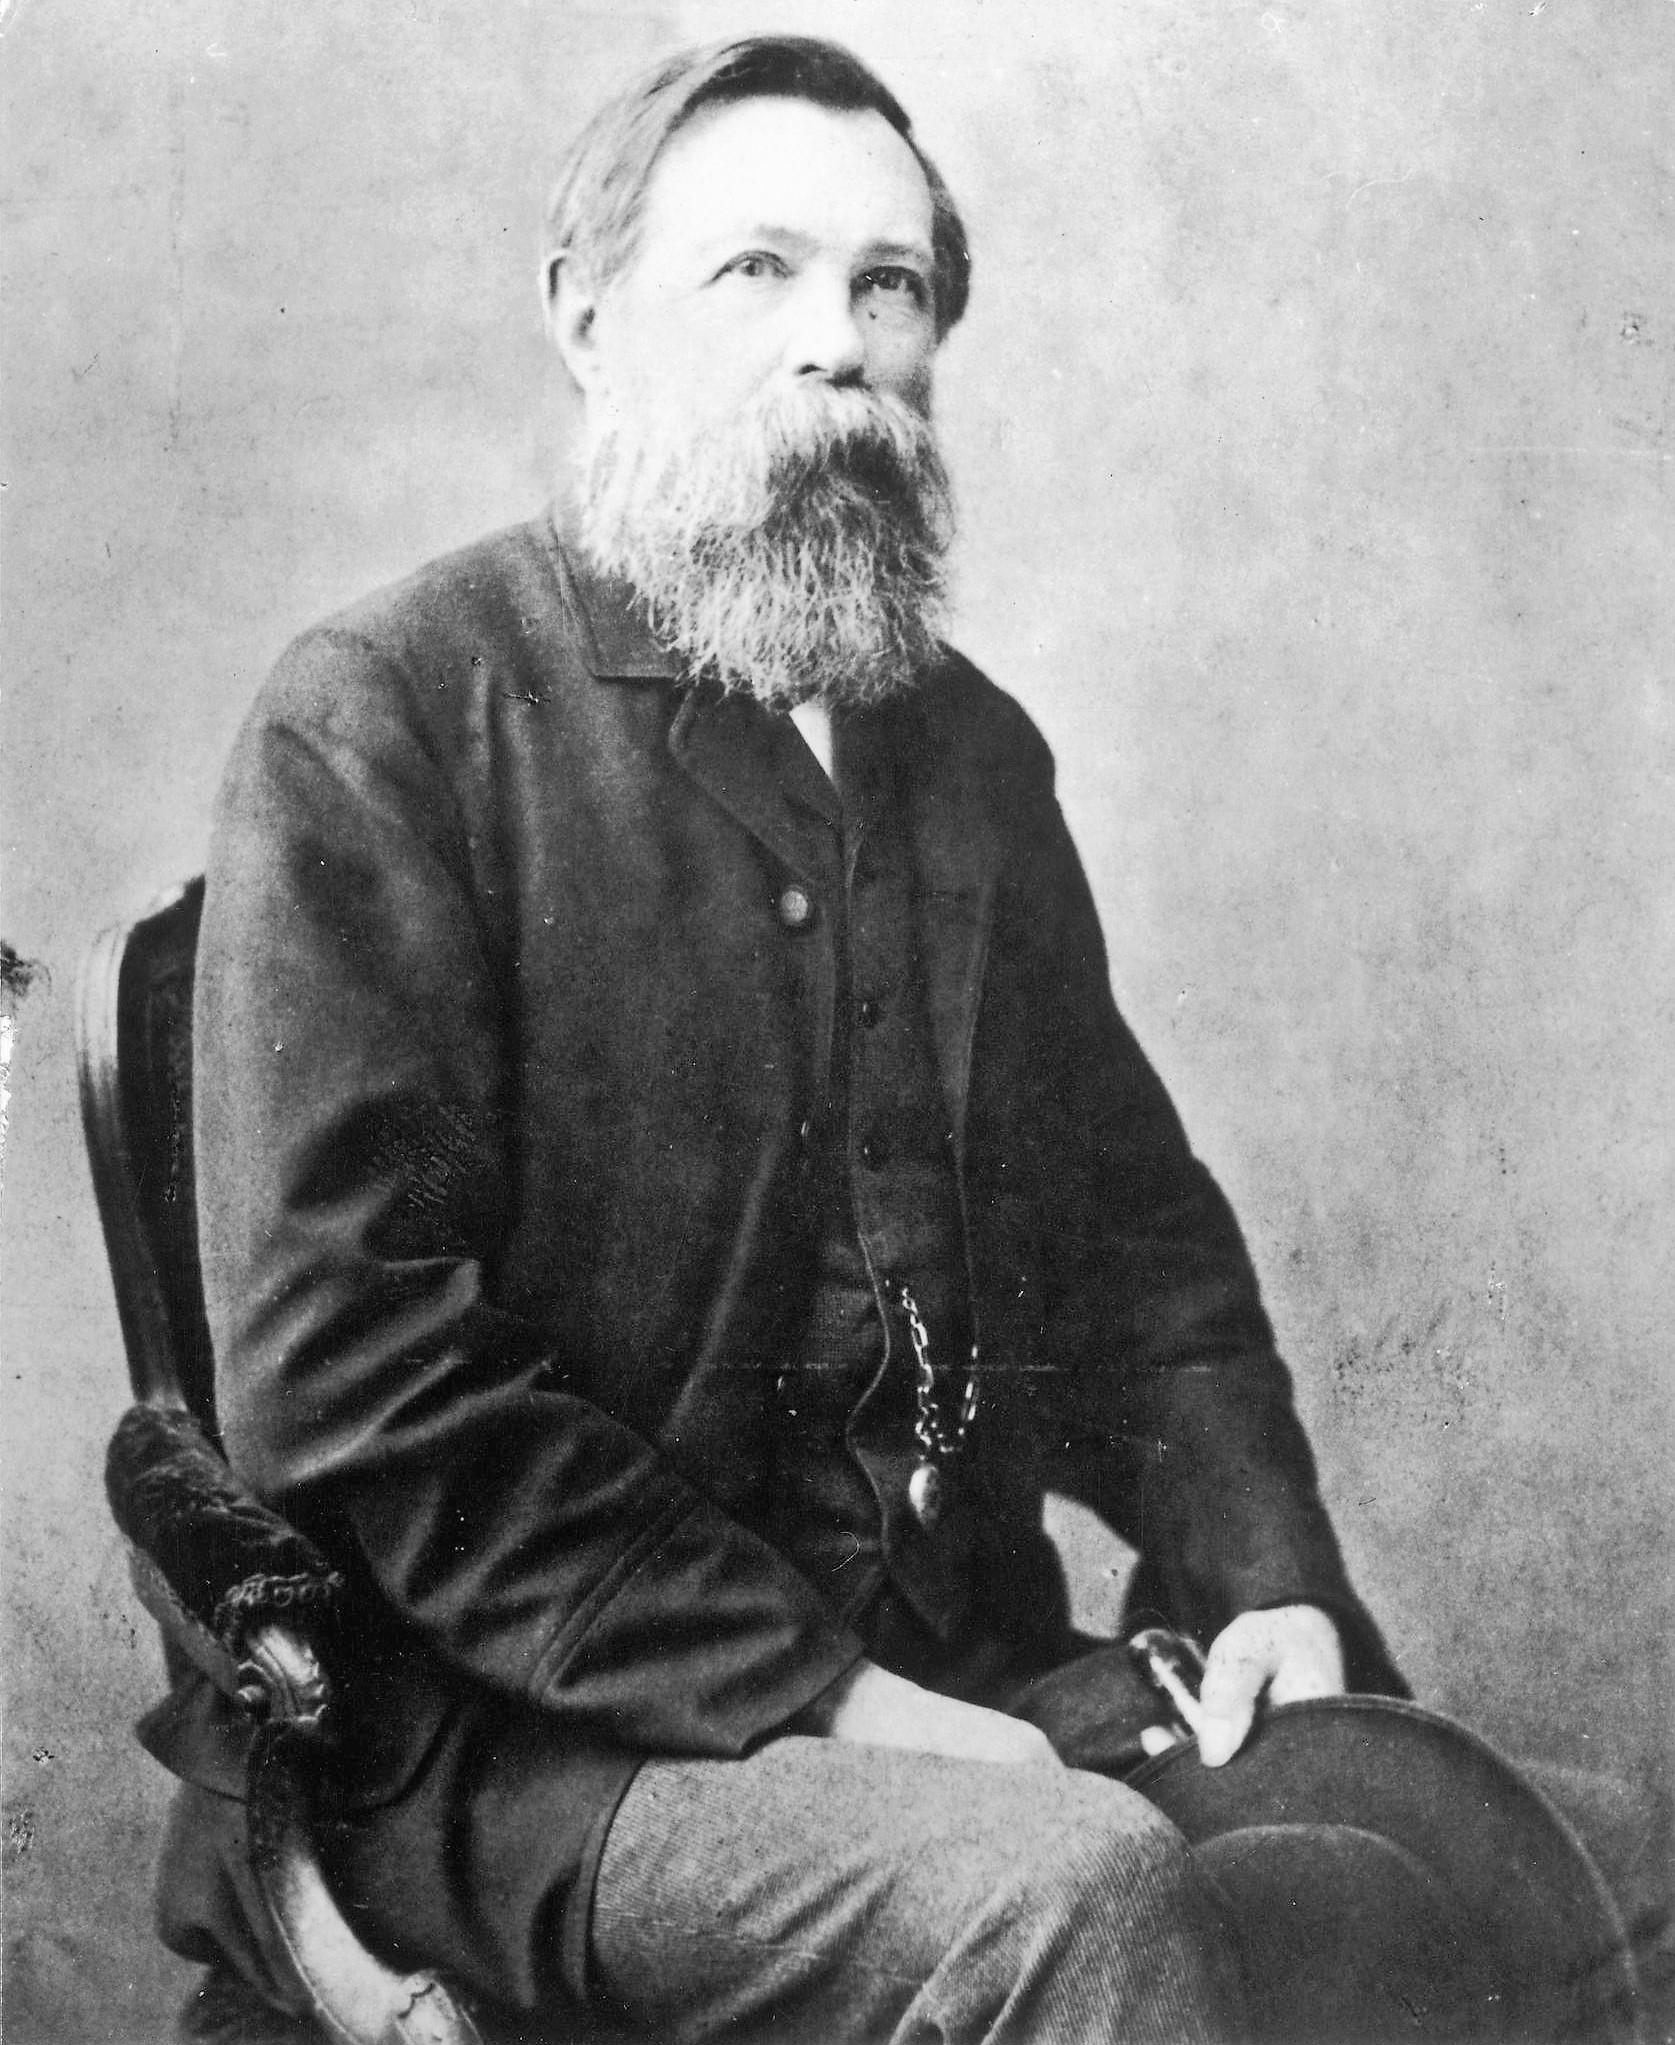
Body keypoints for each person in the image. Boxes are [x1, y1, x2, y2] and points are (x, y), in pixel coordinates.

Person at [156, 33, 1461, 2045]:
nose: (834, 343)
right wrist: (839, 1705)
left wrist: (1267, 1575)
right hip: (530, 1748)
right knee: (1069, 1898)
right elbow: (355, 1379)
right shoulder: (390, 717)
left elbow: (1135, 1247)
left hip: (963, 1676)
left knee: (1541, 1847)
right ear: (588, 318)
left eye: (887, 286)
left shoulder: (972, 753)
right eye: (755, 271)